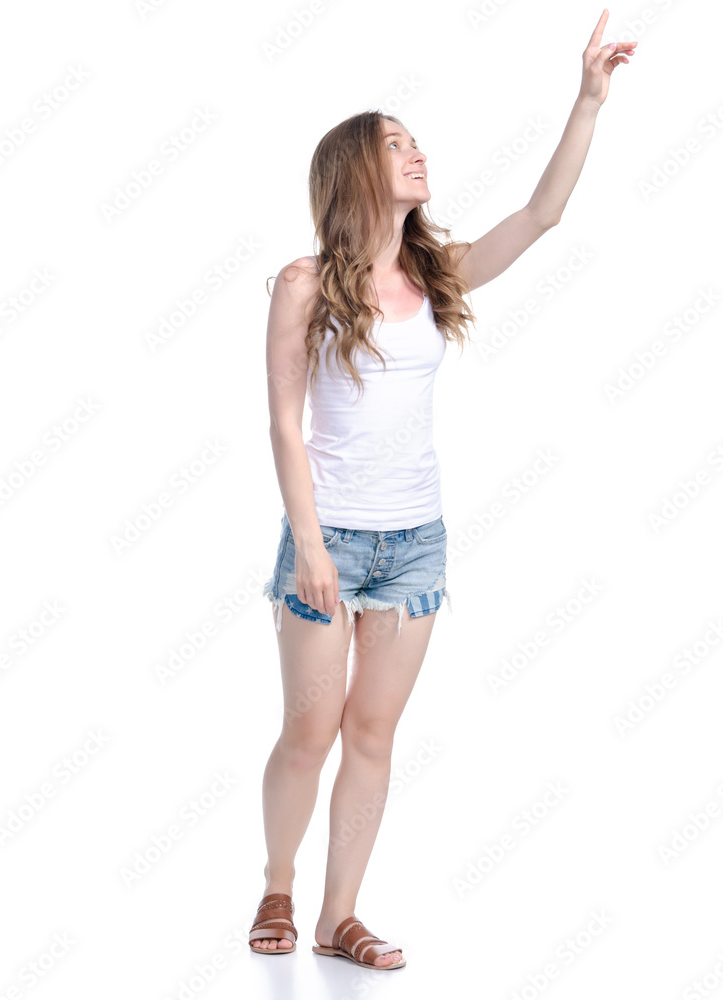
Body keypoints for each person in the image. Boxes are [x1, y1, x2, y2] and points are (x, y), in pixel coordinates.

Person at [249, 9, 636, 970]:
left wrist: (587, 100)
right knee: (309, 731)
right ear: (353, 171)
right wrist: (310, 543)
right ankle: (278, 884)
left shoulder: (435, 275)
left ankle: (339, 917)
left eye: (415, 142)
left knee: (372, 736)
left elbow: (540, 217)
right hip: (329, 537)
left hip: (414, 545)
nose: (418, 154)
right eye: (397, 145)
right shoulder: (303, 283)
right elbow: (285, 424)